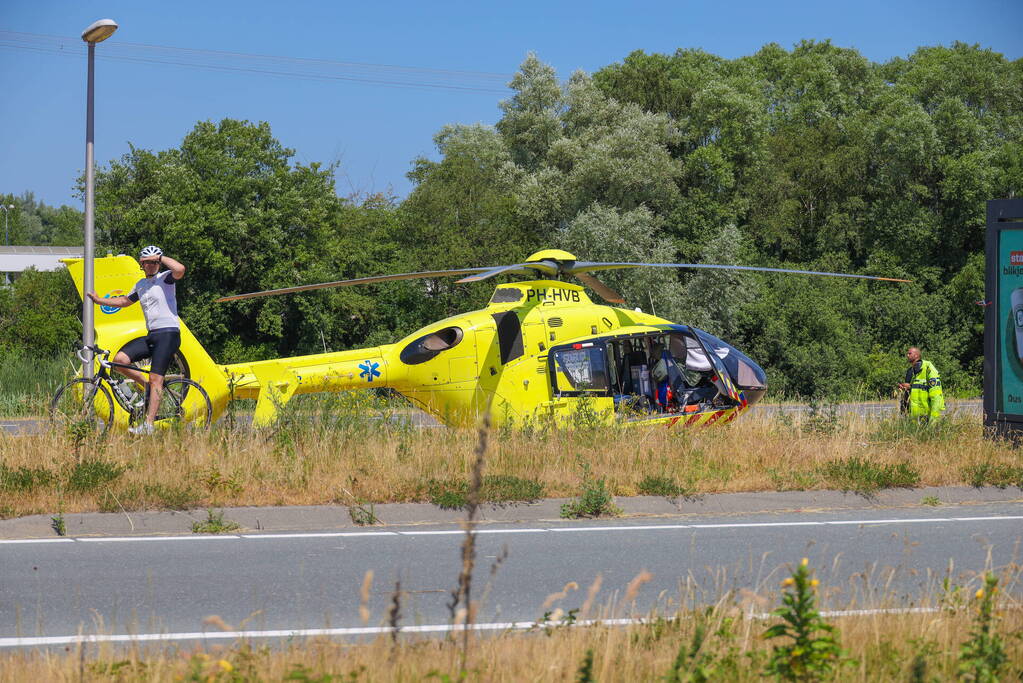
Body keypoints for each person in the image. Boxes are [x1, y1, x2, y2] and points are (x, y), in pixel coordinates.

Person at [86, 246, 185, 435]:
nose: (151, 265)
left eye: (154, 262)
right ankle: (146, 384)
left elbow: (180, 269)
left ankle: (148, 424)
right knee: (119, 361)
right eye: (147, 262)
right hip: (152, 334)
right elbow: (124, 301)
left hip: (169, 333)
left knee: (157, 379)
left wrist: (162, 257)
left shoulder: (165, 278)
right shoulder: (141, 284)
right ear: (142, 264)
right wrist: (100, 301)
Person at [897, 346, 945, 421]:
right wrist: (905, 387)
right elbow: (913, 388)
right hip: (912, 414)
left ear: (916, 355)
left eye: (909, 353)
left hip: (925, 414)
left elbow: (936, 393)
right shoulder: (910, 371)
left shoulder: (927, 367)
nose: (907, 355)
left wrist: (934, 417)